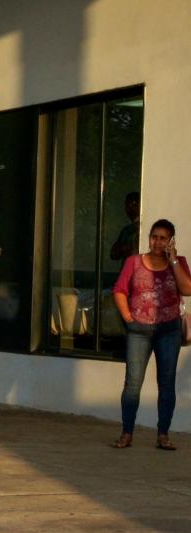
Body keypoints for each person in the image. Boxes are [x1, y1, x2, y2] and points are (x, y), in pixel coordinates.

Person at [111, 218, 191, 450]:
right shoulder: (133, 262)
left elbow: (187, 289)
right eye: (154, 237)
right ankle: (127, 433)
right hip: (139, 330)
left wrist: (173, 258)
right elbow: (119, 290)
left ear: (170, 241)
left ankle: (163, 435)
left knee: (166, 383)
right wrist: (128, 316)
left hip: (169, 330)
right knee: (133, 383)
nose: (157, 242)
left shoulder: (179, 262)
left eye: (162, 238)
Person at [109, 191, 141, 261]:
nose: (128, 208)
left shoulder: (147, 228)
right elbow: (113, 254)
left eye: (134, 205)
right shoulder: (127, 230)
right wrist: (123, 249)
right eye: (127, 205)